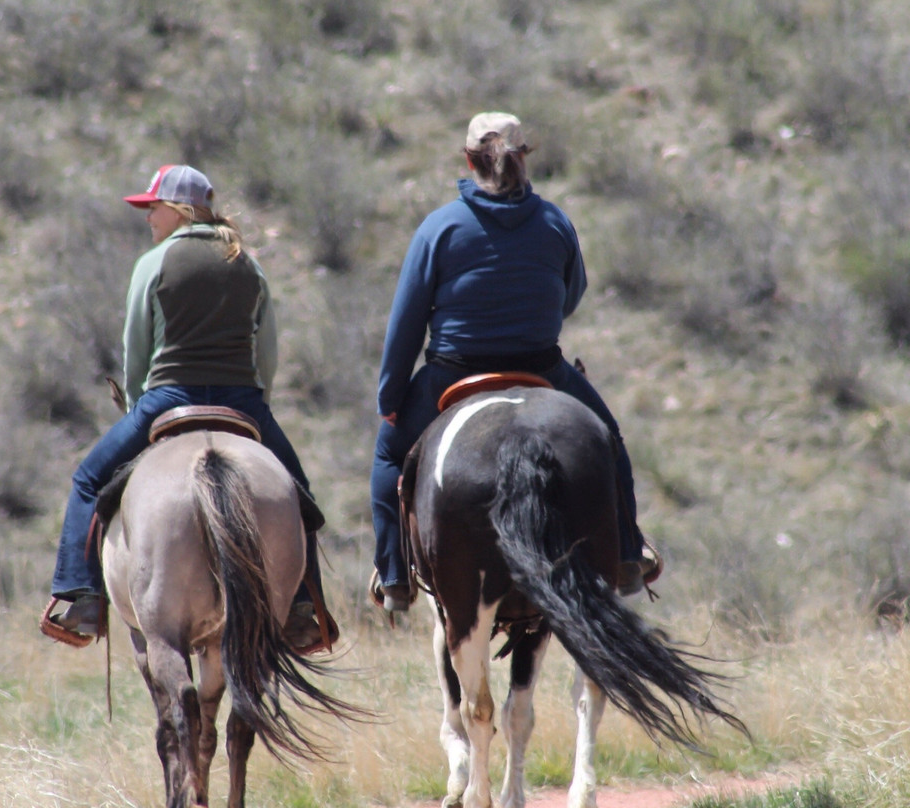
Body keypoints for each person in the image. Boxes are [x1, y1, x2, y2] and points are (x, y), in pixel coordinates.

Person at [370, 112, 661, 612]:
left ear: (468, 159)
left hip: (451, 372)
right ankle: (628, 556)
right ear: (524, 156)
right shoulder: (555, 222)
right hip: (542, 369)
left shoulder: (438, 228)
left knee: (388, 460)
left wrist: (391, 397)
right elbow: (571, 296)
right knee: (609, 444)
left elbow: (407, 322)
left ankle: (394, 575)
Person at [43, 164, 336, 653]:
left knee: (89, 480)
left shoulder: (154, 262)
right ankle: (303, 609)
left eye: (153, 208)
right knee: (297, 493)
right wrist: (256, 407)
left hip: (169, 397)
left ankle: (83, 597)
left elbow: (136, 350)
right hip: (241, 399)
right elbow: (267, 353)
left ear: (178, 209)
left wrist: (138, 406)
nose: (148, 218)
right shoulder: (248, 263)